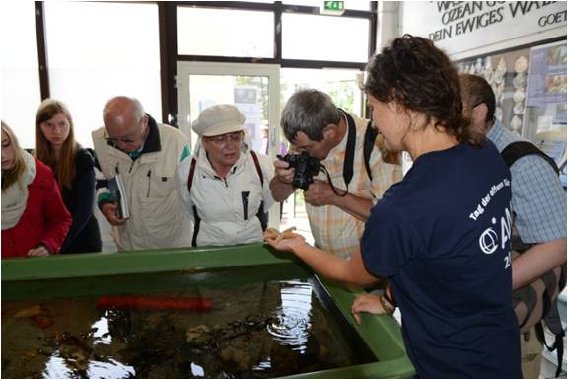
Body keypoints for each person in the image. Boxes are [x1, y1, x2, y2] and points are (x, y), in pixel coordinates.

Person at [265, 35, 522, 378]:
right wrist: (388, 300)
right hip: (500, 351)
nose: (373, 119)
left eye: (374, 106)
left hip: (452, 366)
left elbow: (349, 273)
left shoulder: (406, 206)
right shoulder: (484, 154)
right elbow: (437, 257)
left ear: (400, 104)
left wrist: (296, 246)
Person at [460, 73, 567, 379]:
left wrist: (485, 287)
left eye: (452, 109)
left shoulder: (523, 163)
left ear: (479, 113)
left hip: (509, 325)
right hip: (475, 321)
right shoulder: (470, 158)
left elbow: (559, 246)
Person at [270, 89, 401, 258]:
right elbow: (276, 195)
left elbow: (390, 214)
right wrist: (283, 180)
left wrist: (333, 195)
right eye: (296, 147)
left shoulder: (376, 142)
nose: (301, 153)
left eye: (307, 148)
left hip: (367, 270)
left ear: (330, 132)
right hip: (323, 264)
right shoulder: (304, 140)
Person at [92, 96, 192, 251]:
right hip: (127, 247)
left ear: (144, 122)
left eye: (127, 139)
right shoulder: (100, 141)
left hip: (172, 247)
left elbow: (192, 191)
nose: (120, 146)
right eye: (114, 139)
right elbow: (102, 179)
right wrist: (105, 203)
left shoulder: (176, 143)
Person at [177, 104, 274, 247]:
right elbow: (188, 208)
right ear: (204, 142)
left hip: (254, 246)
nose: (230, 145)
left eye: (235, 137)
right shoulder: (187, 170)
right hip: (208, 249)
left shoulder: (260, 164)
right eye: (220, 139)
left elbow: (268, 202)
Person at [35, 99, 102, 254]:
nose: (56, 131)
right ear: (40, 128)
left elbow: (84, 211)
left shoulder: (82, 158)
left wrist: (59, 243)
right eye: (49, 125)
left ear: (70, 125)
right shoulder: (34, 162)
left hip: (81, 238)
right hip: (50, 240)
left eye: (62, 124)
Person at [2, 121, 71, 258]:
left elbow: (61, 220)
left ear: (14, 141)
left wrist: (48, 245)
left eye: (5, 144)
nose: (2, 154)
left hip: (34, 266)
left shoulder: (39, 174)